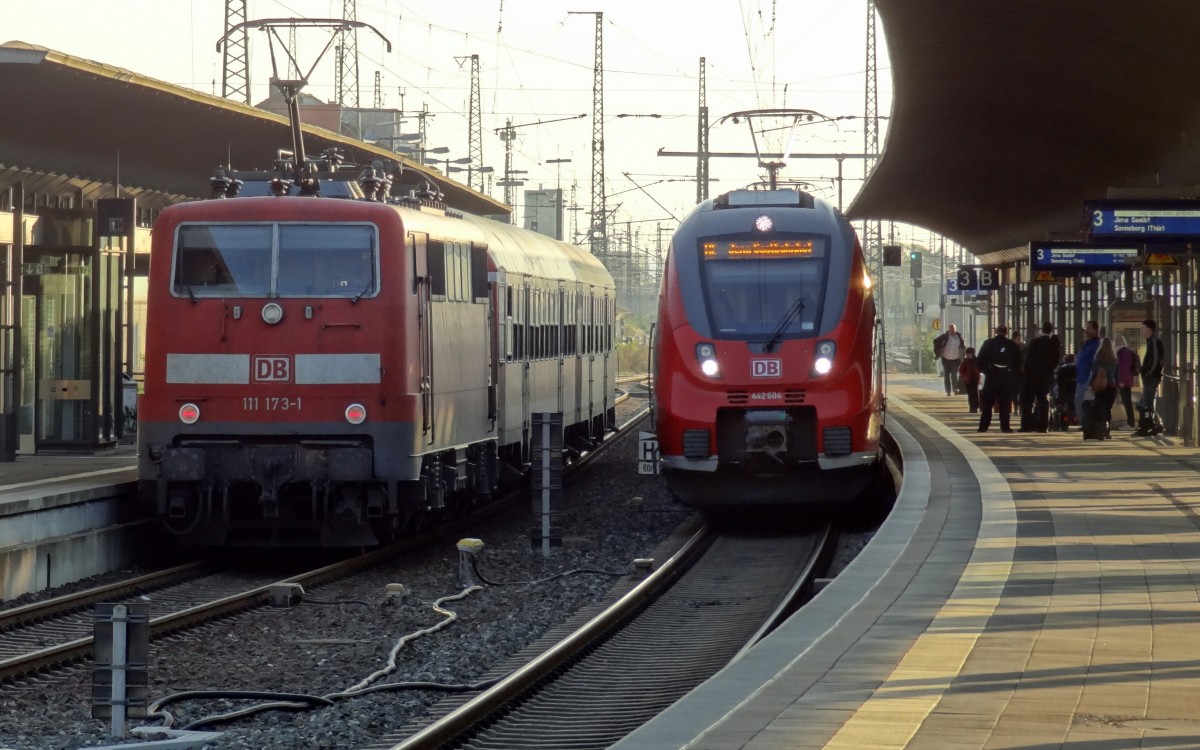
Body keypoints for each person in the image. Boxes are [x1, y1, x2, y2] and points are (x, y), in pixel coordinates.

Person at [975, 324, 1022, 433]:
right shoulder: (1011, 344)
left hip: (991, 376)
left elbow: (980, 360)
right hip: (1006, 376)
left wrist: (987, 371)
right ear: (1006, 332)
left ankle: (983, 426)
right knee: (1005, 403)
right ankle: (1005, 427)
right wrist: (1013, 375)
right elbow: (1018, 362)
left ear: (996, 331)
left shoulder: (988, 343)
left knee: (988, 403)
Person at [1020, 322, 1062, 432]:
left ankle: (1026, 426)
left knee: (1028, 401)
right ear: (1051, 330)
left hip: (1032, 376)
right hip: (1045, 377)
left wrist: (1026, 372)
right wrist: (1049, 369)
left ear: (1042, 329)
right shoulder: (1053, 344)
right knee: (1044, 401)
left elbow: (1028, 359)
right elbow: (1056, 360)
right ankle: (1044, 426)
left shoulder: (1035, 342)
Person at [1134, 318, 1166, 436]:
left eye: (1143, 327)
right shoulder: (1151, 341)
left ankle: (1149, 425)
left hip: (1151, 376)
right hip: (1150, 376)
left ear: (1149, 329)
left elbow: (1156, 359)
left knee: (1148, 401)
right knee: (1148, 401)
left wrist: (1149, 372)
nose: (1141, 330)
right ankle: (1152, 424)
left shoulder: (1154, 341)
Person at [1086, 337, 1119, 440]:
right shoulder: (1114, 360)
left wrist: (1090, 384)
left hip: (1100, 387)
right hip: (1111, 387)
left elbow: (1093, 373)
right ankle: (1107, 431)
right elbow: (1117, 375)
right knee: (1108, 409)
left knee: (1100, 409)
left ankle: (1100, 430)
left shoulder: (1098, 358)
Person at [1074, 320, 1101, 423]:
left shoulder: (1097, 345)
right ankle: (1084, 423)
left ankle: (1089, 424)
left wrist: (1092, 379)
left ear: (1096, 330)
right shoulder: (1086, 344)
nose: (1086, 331)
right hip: (1081, 379)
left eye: (1089, 328)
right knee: (1078, 402)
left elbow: (1095, 363)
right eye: (1086, 328)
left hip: (1089, 380)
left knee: (1088, 404)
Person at [933, 323, 966, 396]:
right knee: (946, 375)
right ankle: (948, 391)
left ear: (955, 329)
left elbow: (963, 346)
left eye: (954, 329)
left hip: (956, 359)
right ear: (949, 329)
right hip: (946, 358)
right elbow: (935, 341)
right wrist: (940, 345)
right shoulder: (945, 336)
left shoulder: (959, 337)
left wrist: (963, 356)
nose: (952, 330)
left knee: (954, 374)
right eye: (951, 329)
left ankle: (955, 389)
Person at [1115, 335, 1140, 429]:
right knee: (1127, 402)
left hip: (1124, 381)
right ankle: (1130, 422)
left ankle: (1130, 423)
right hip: (1127, 380)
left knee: (1127, 402)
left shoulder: (1122, 353)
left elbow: (1124, 368)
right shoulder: (1125, 352)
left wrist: (1122, 381)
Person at [1053, 353, 1077, 430]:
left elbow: (1056, 380)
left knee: (1060, 405)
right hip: (1074, 392)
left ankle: (1059, 423)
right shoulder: (1078, 368)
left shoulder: (1061, 369)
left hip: (1062, 393)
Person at [959, 347, 981, 413]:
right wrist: (963, 377)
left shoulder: (976, 361)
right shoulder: (965, 361)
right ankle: (972, 407)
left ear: (972, 354)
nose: (967, 355)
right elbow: (961, 370)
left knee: (974, 393)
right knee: (970, 393)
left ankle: (975, 407)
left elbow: (980, 369)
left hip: (975, 378)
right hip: (967, 379)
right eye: (966, 354)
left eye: (969, 354)